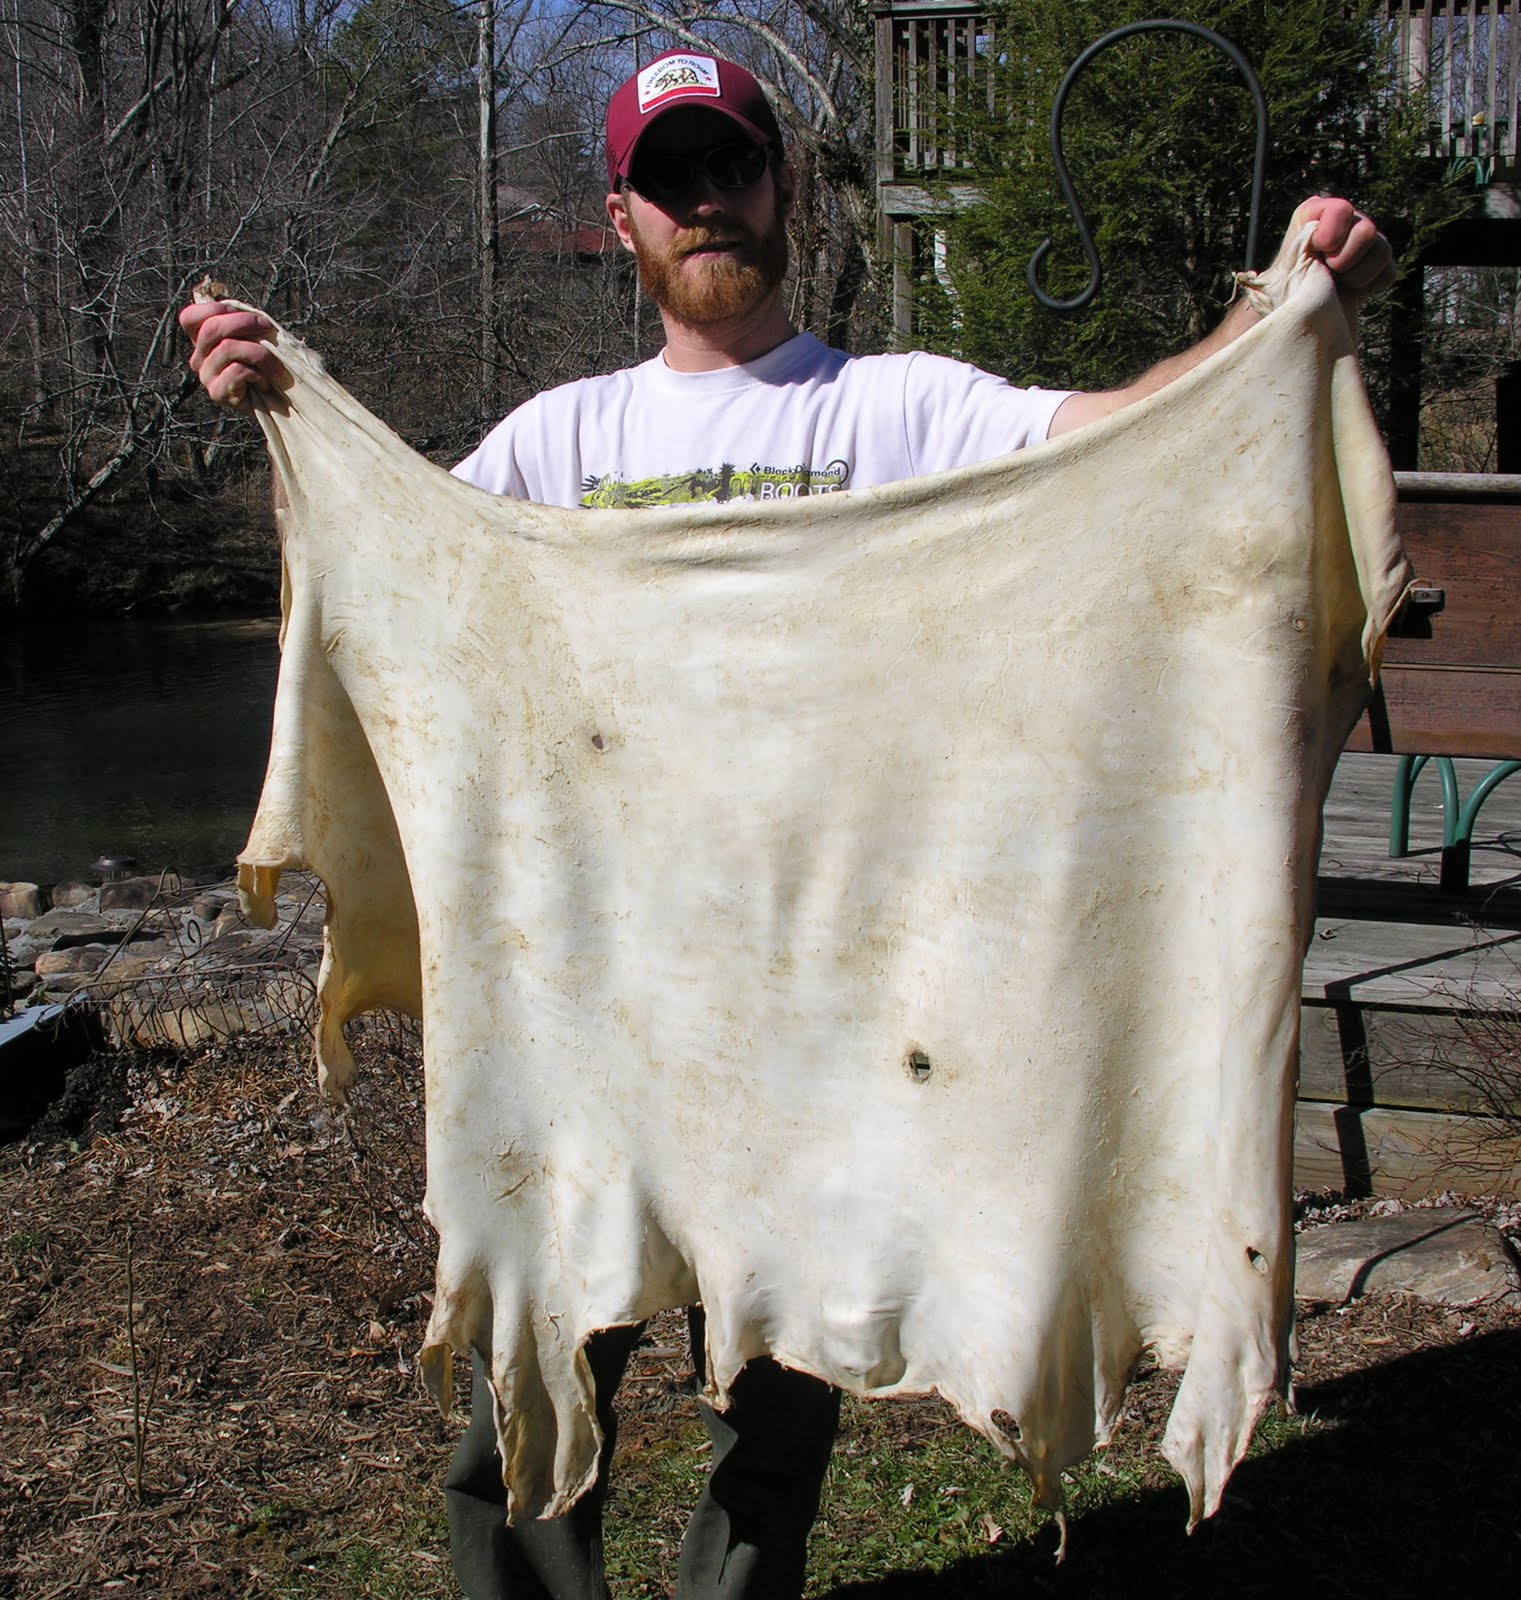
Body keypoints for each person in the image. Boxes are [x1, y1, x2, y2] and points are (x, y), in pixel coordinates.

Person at [181, 47, 1395, 1600]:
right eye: (669, 180)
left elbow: (1131, 442)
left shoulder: (900, 410)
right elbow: (394, 605)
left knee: (780, 1398)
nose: (707, 202)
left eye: (733, 168)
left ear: (783, 190)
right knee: (529, 1373)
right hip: (593, 1011)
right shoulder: (555, 448)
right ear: (619, 218)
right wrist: (284, 415)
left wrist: (1279, 320)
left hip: (823, 1011)